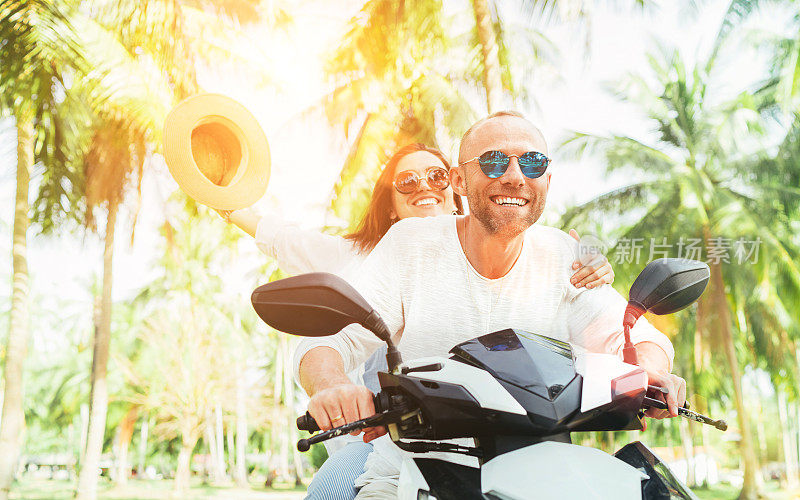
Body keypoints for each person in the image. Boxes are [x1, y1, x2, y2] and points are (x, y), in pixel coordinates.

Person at [293, 112, 686, 499]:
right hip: (411, 470)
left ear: (546, 180)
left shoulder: (564, 255)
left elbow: (632, 338)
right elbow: (329, 338)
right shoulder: (408, 244)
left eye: (532, 162)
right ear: (460, 180)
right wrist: (334, 387)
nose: (515, 176)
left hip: (545, 475)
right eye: (494, 160)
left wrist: (652, 375)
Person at [223, 143, 615, 500]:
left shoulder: (519, 246)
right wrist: (218, 187)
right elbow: (279, 239)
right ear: (390, 203)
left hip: (513, 441)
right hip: (383, 438)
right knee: (332, 488)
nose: (424, 185)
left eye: (437, 175)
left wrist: (592, 258)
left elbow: (579, 283)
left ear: (457, 185)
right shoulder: (359, 255)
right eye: (407, 180)